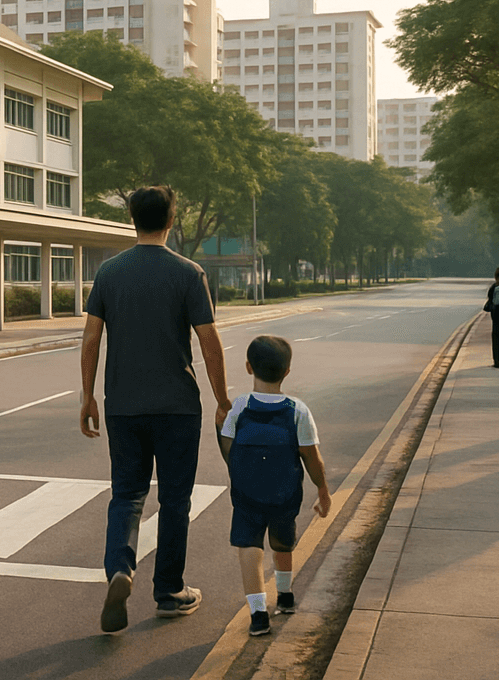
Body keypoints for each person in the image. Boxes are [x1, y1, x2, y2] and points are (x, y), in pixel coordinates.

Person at [79, 185, 232, 634]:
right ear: (172, 219)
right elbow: (208, 340)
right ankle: (168, 592)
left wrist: (87, 395)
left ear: (132, 218)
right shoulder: (188, 273)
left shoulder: (109, 272)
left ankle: (120, 571)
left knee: (126, 495)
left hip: (123, 406)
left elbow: (91, 339)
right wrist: (223, 399)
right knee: (175, 500)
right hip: (178, 408)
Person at [218, 335, 330, 637]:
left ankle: (257, 614)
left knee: (249, 549)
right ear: (287, 371)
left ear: (248, 367)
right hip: (285, 495)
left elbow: (228, 447)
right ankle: (285, 596)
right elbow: (311, 456)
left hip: (246, 496)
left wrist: (241, 467)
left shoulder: (239, 407)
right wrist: (323, 490)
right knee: (282, 543)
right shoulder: (298, 410)